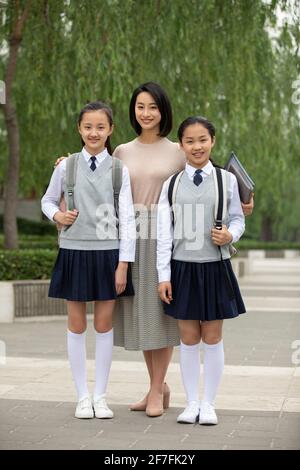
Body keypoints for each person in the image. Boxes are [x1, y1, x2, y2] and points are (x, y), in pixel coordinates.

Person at [53, 84, 254, 418]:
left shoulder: (179, 148)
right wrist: (63, 161)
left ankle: (158, 388)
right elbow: (96, 172)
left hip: (166, 237)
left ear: (163, 111)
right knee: (141, 314)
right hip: (129, 237)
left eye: (153, 107)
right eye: (140, 106)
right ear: (133, 111)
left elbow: (214, 180)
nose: (146, 113)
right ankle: (155, 386)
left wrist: (244, 204)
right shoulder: (121, 152)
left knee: (163, 315)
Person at [41, 101, 136, 420]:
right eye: (87, 127)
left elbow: (128, 221)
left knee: (104, 324)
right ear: (79, 129)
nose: (93, 132)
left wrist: (124, 263)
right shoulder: (65, 166)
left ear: (110, 130)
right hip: (74, 252)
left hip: (108, 255)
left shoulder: (120, 170)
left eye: (100, 127)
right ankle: (82, 396)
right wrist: (58, 214)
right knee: (77, 325)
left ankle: (101, 396)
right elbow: (47, 200)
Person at [157, 116, 246, 425]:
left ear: (213, 141)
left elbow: (238, 219)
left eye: (202, 140)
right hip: (182, 269)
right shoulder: (171, 185)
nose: (197, 146)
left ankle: (209, 404)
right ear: (181, 145)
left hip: (215, 267)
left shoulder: (227, 180)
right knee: (188, 338)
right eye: (190, 141)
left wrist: (231, 235)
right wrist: (163, 276)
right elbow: (164, 234)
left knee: (212, 336)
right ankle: (191, 402)